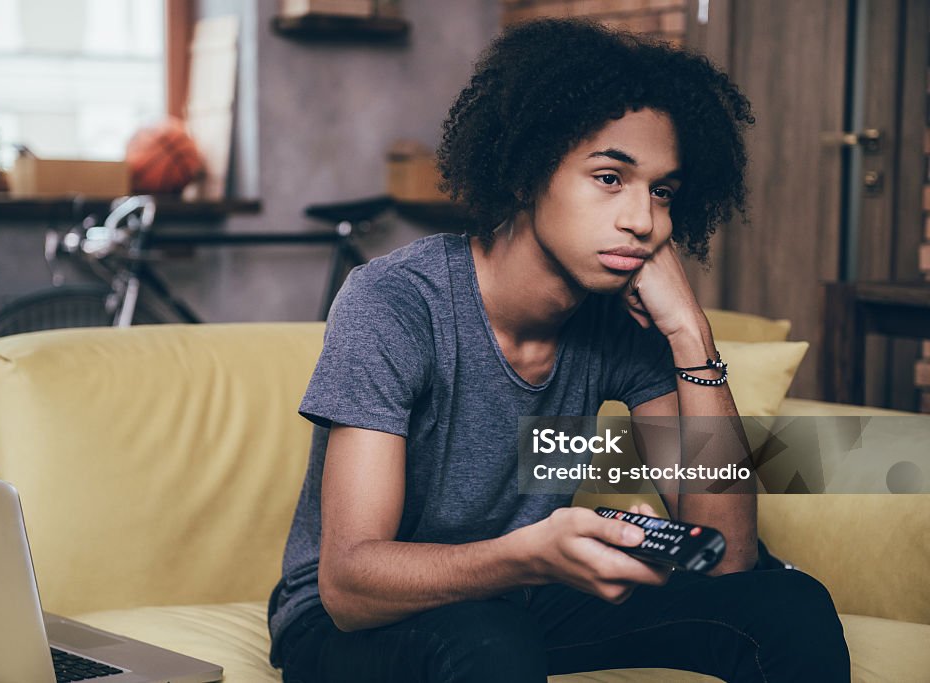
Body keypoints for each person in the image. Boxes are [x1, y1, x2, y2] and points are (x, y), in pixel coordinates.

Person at [267, 18, 850, 683]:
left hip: (514, 598)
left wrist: (691, 335)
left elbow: (727, 557)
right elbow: (348, 584)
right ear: (525, 174)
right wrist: (531, 554)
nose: (644, 219)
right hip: (351, 625)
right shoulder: (395, 303)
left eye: (662, 191)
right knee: (486, 636)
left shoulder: (622, 323)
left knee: (788, 603)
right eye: (610, 177)